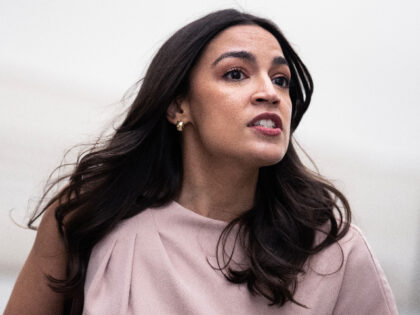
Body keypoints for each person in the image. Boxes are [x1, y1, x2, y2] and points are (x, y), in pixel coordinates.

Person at [5, 9, 398, 315]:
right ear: (179, 106)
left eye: (281, 80)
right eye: (236, 74)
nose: (269, 92)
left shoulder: (333, 250)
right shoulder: (86, 218)